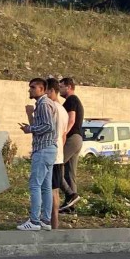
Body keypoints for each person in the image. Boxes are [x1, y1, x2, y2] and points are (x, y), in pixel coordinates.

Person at [18, 78, 57, 231]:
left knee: (35, 185)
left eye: (33, 87)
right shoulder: (46, 104)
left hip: (43, 149)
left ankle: (34, 221)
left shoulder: (43, 104)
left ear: (42, 89)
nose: (30, 90)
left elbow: (48, 126)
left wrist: (30, 129)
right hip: (49, 149)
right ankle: (45, 221)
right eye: (30, 87)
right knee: (46, 186)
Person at [44, 78, 69, 229]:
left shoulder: (51, 108)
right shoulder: (63, 110)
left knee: (49, 190)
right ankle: (54, 224)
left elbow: (43, 130)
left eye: (45, 90)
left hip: (50, 154)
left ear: (51, 91)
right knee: (55, 191)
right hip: (58, 154)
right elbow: (64, 135)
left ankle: (51, 223)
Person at [60, 77, 84, 212]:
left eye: (61, 86)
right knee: (70, 174)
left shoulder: (71, 100)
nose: (60, 89)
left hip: (72, 138)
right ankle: (70, 206)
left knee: (55, 166)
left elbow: (71, 119)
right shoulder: (74, 100)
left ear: (69, 87)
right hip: (78, 139)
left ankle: (71, 194)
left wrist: (63, 134)